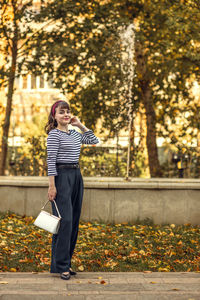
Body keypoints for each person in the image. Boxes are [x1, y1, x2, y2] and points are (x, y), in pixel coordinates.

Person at [45, 100, 99, 280]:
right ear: (55, 116)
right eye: (62, 112)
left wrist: (80, 124)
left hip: (76, 176)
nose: (66, 115)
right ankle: (61, 266)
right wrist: (52, 186)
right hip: (61, 177)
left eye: (68, 112)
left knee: (73, 221)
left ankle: (64, 263)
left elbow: (94, 140)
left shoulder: (75, 134)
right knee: (65, 221)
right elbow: (50, 162)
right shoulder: (53, 135)